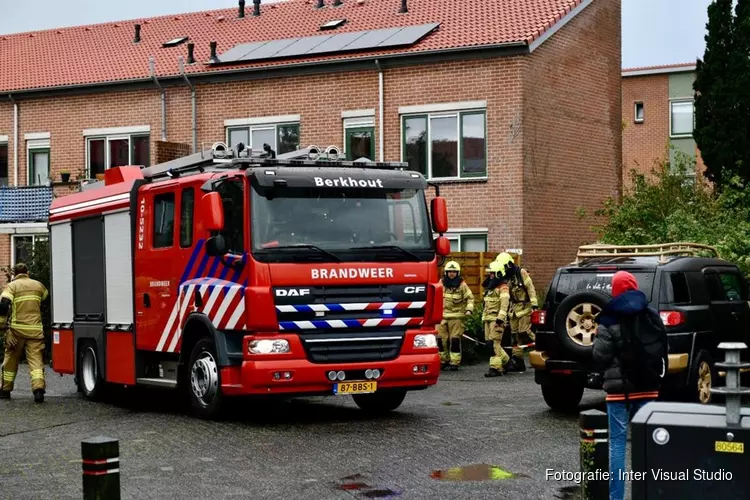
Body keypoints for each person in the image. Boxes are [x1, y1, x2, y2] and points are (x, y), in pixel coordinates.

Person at [592, 271, 668, 500]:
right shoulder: (650, 313)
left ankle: (616, 497)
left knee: (617, 444)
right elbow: (663, 348)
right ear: (634, 287)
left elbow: (600, 356)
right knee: (646, 444)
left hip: (620, 391)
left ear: (614, 290)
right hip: (648, 387)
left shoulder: (609, 317)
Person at [0, 263, 49, 403]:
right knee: (36, 362)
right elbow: (46, 299)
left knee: (10, 361)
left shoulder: (12, 286)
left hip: (16, 332)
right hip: (35, 332)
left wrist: (3, 327)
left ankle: (5, 390)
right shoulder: (39, 285)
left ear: (14, 274)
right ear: (27, 272)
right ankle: (38, 390)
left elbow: (3, 306)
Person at [495, 252, 538, 372]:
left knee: (524, 332)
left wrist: (534, 304)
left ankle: (543, 347)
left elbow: (530, 289)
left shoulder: (521, 273)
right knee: (514, 336)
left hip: (524, 308)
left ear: (509, 265)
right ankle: (518, 361)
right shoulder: (505, 277)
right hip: (513, 310)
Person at [437, 261, 474, 370]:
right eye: (449, 271)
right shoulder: (441, 283)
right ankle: (443, 361)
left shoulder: (462, 285)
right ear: (446, 273)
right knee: (440, 340)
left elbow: (470, 298)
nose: (451, 274)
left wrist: (469, 310)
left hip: (456, 317)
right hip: (442, 317)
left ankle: (454, 362)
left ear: (457, 273)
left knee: (455, 340)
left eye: (454, 272)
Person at [482, 260, 511, 377]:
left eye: (493, 273)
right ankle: (507, 361)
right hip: (488, 319)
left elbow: (505, 304)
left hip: (496, 320)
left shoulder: (503, 287)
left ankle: (495, 368)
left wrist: (500, 318)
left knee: (494, 344)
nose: (490, 275)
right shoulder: (490, 288)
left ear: (498, 273)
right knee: (491, 343)